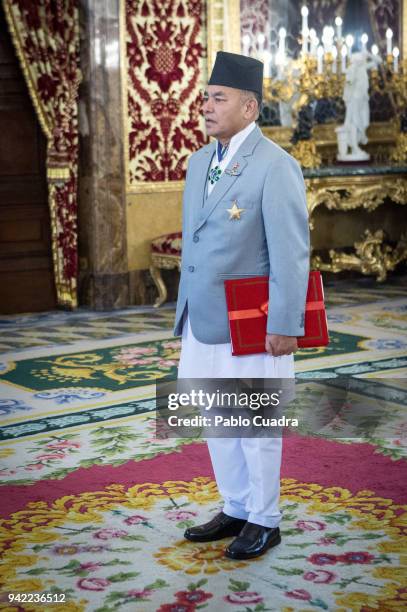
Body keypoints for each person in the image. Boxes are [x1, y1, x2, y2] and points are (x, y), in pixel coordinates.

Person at [173, 51, 310, 560]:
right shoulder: (199, 162)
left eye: (218, 98)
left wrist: (285, 324)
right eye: (206, 96)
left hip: (251, 324)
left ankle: (266, 520)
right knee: (215, 417)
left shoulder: (277, 167)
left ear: (249, 107)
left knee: (256, 422)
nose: (206, 106)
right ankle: (235, 506)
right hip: (202, 319)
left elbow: (292, 254)